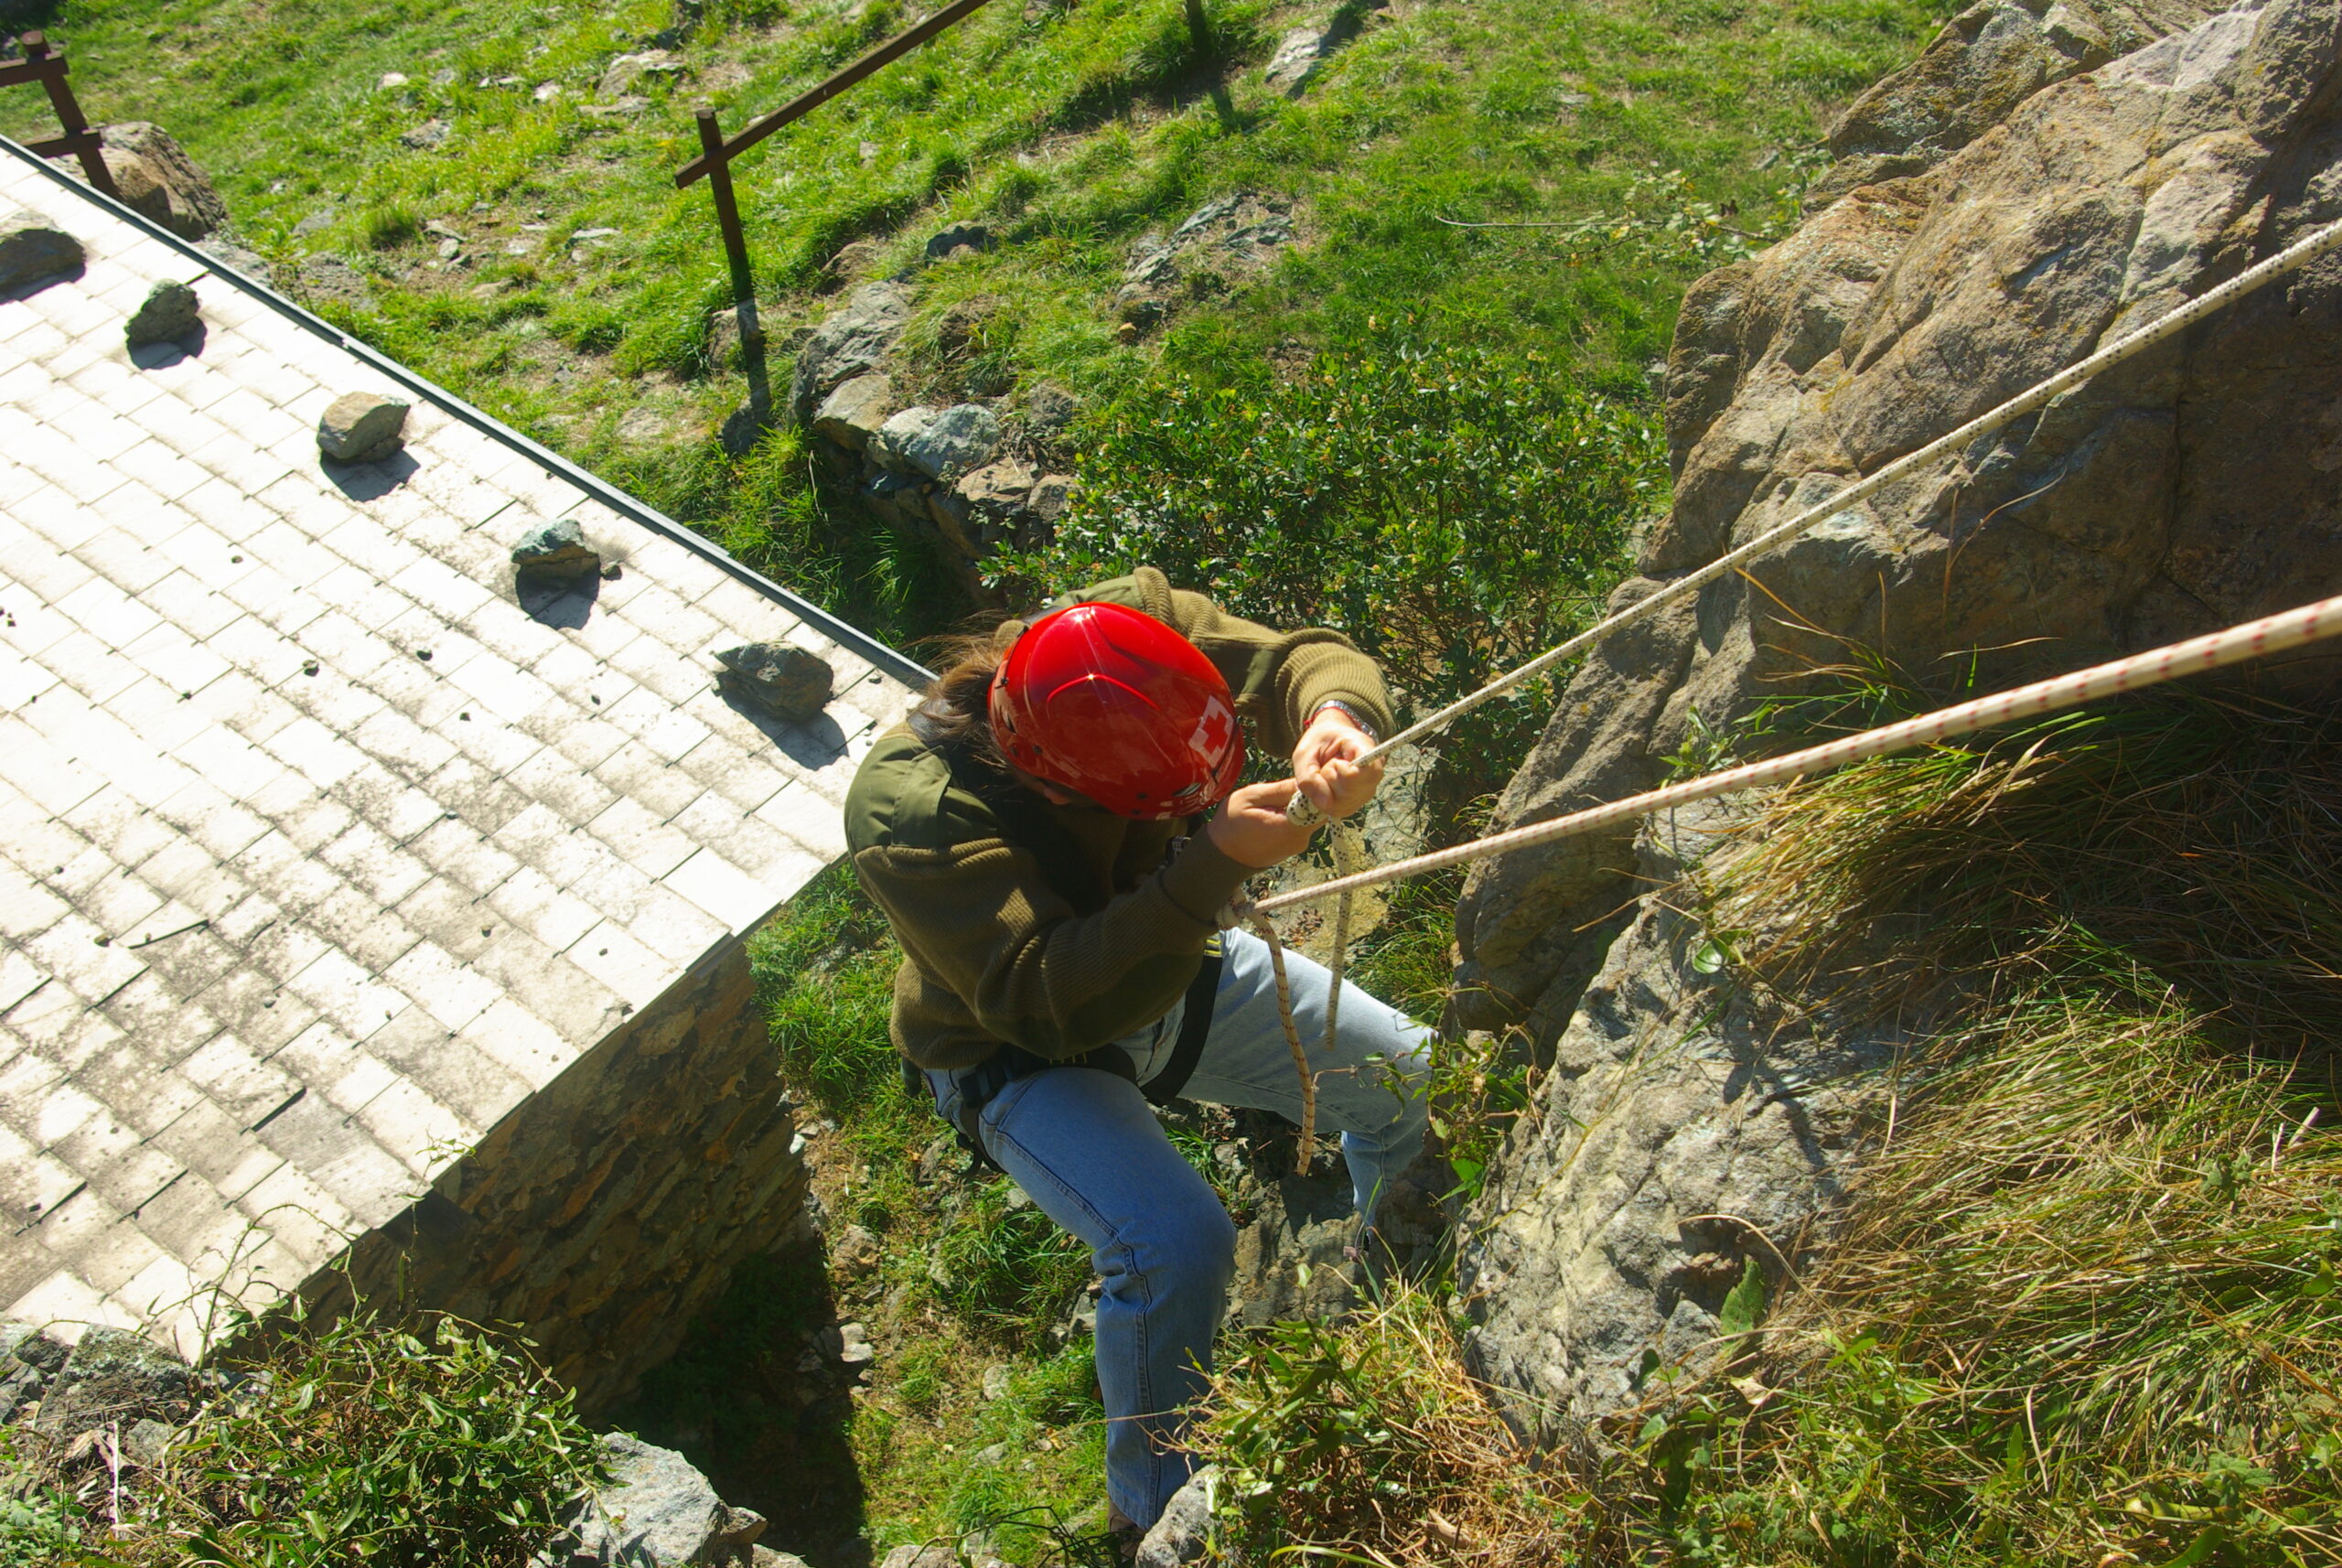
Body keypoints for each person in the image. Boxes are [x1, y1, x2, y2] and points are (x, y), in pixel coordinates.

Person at [843, 565, 1434, 1533]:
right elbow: (1043, 1001)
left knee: (1406, 1078)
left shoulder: (1128, 637)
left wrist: (1334, 716)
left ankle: (1400, 1309)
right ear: (1043, 772)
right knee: (1173, 1242)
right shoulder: (912, 812)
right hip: (1015, 1046)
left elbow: (1294, 659)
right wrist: (1209, 866)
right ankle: (1156, 1515)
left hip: (1172, 954)